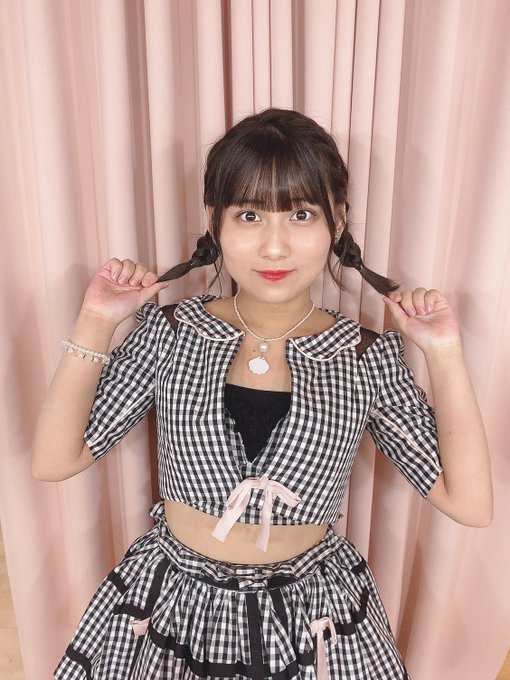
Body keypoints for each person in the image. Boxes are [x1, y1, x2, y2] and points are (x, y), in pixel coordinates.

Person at [32, 108, 493, 680]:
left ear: (337, 222)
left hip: (313, 622)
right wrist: (97, 321)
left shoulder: (364, 357)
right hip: (172, 610)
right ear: (214, 221)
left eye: (301, 214)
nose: (275, 248)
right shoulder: (171, 333)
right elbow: (55, 461)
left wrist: (444, 353)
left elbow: (469, 503)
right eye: (249, 215)